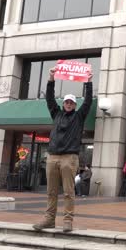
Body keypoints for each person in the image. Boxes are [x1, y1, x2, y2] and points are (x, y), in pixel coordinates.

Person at [33, 67, 92, 233]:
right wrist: (51, 78)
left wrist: (88, 82)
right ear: (63, 103)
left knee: (68, 191)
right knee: (51, 191)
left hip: (69, 158)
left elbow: (88, 102)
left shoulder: (79, 117)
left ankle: (68, 220)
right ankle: (49, 219)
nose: (68, 104)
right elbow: (49, 98)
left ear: (75, 105)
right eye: (66, 102)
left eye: (71, 102)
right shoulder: (56, 114)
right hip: (52, 157)